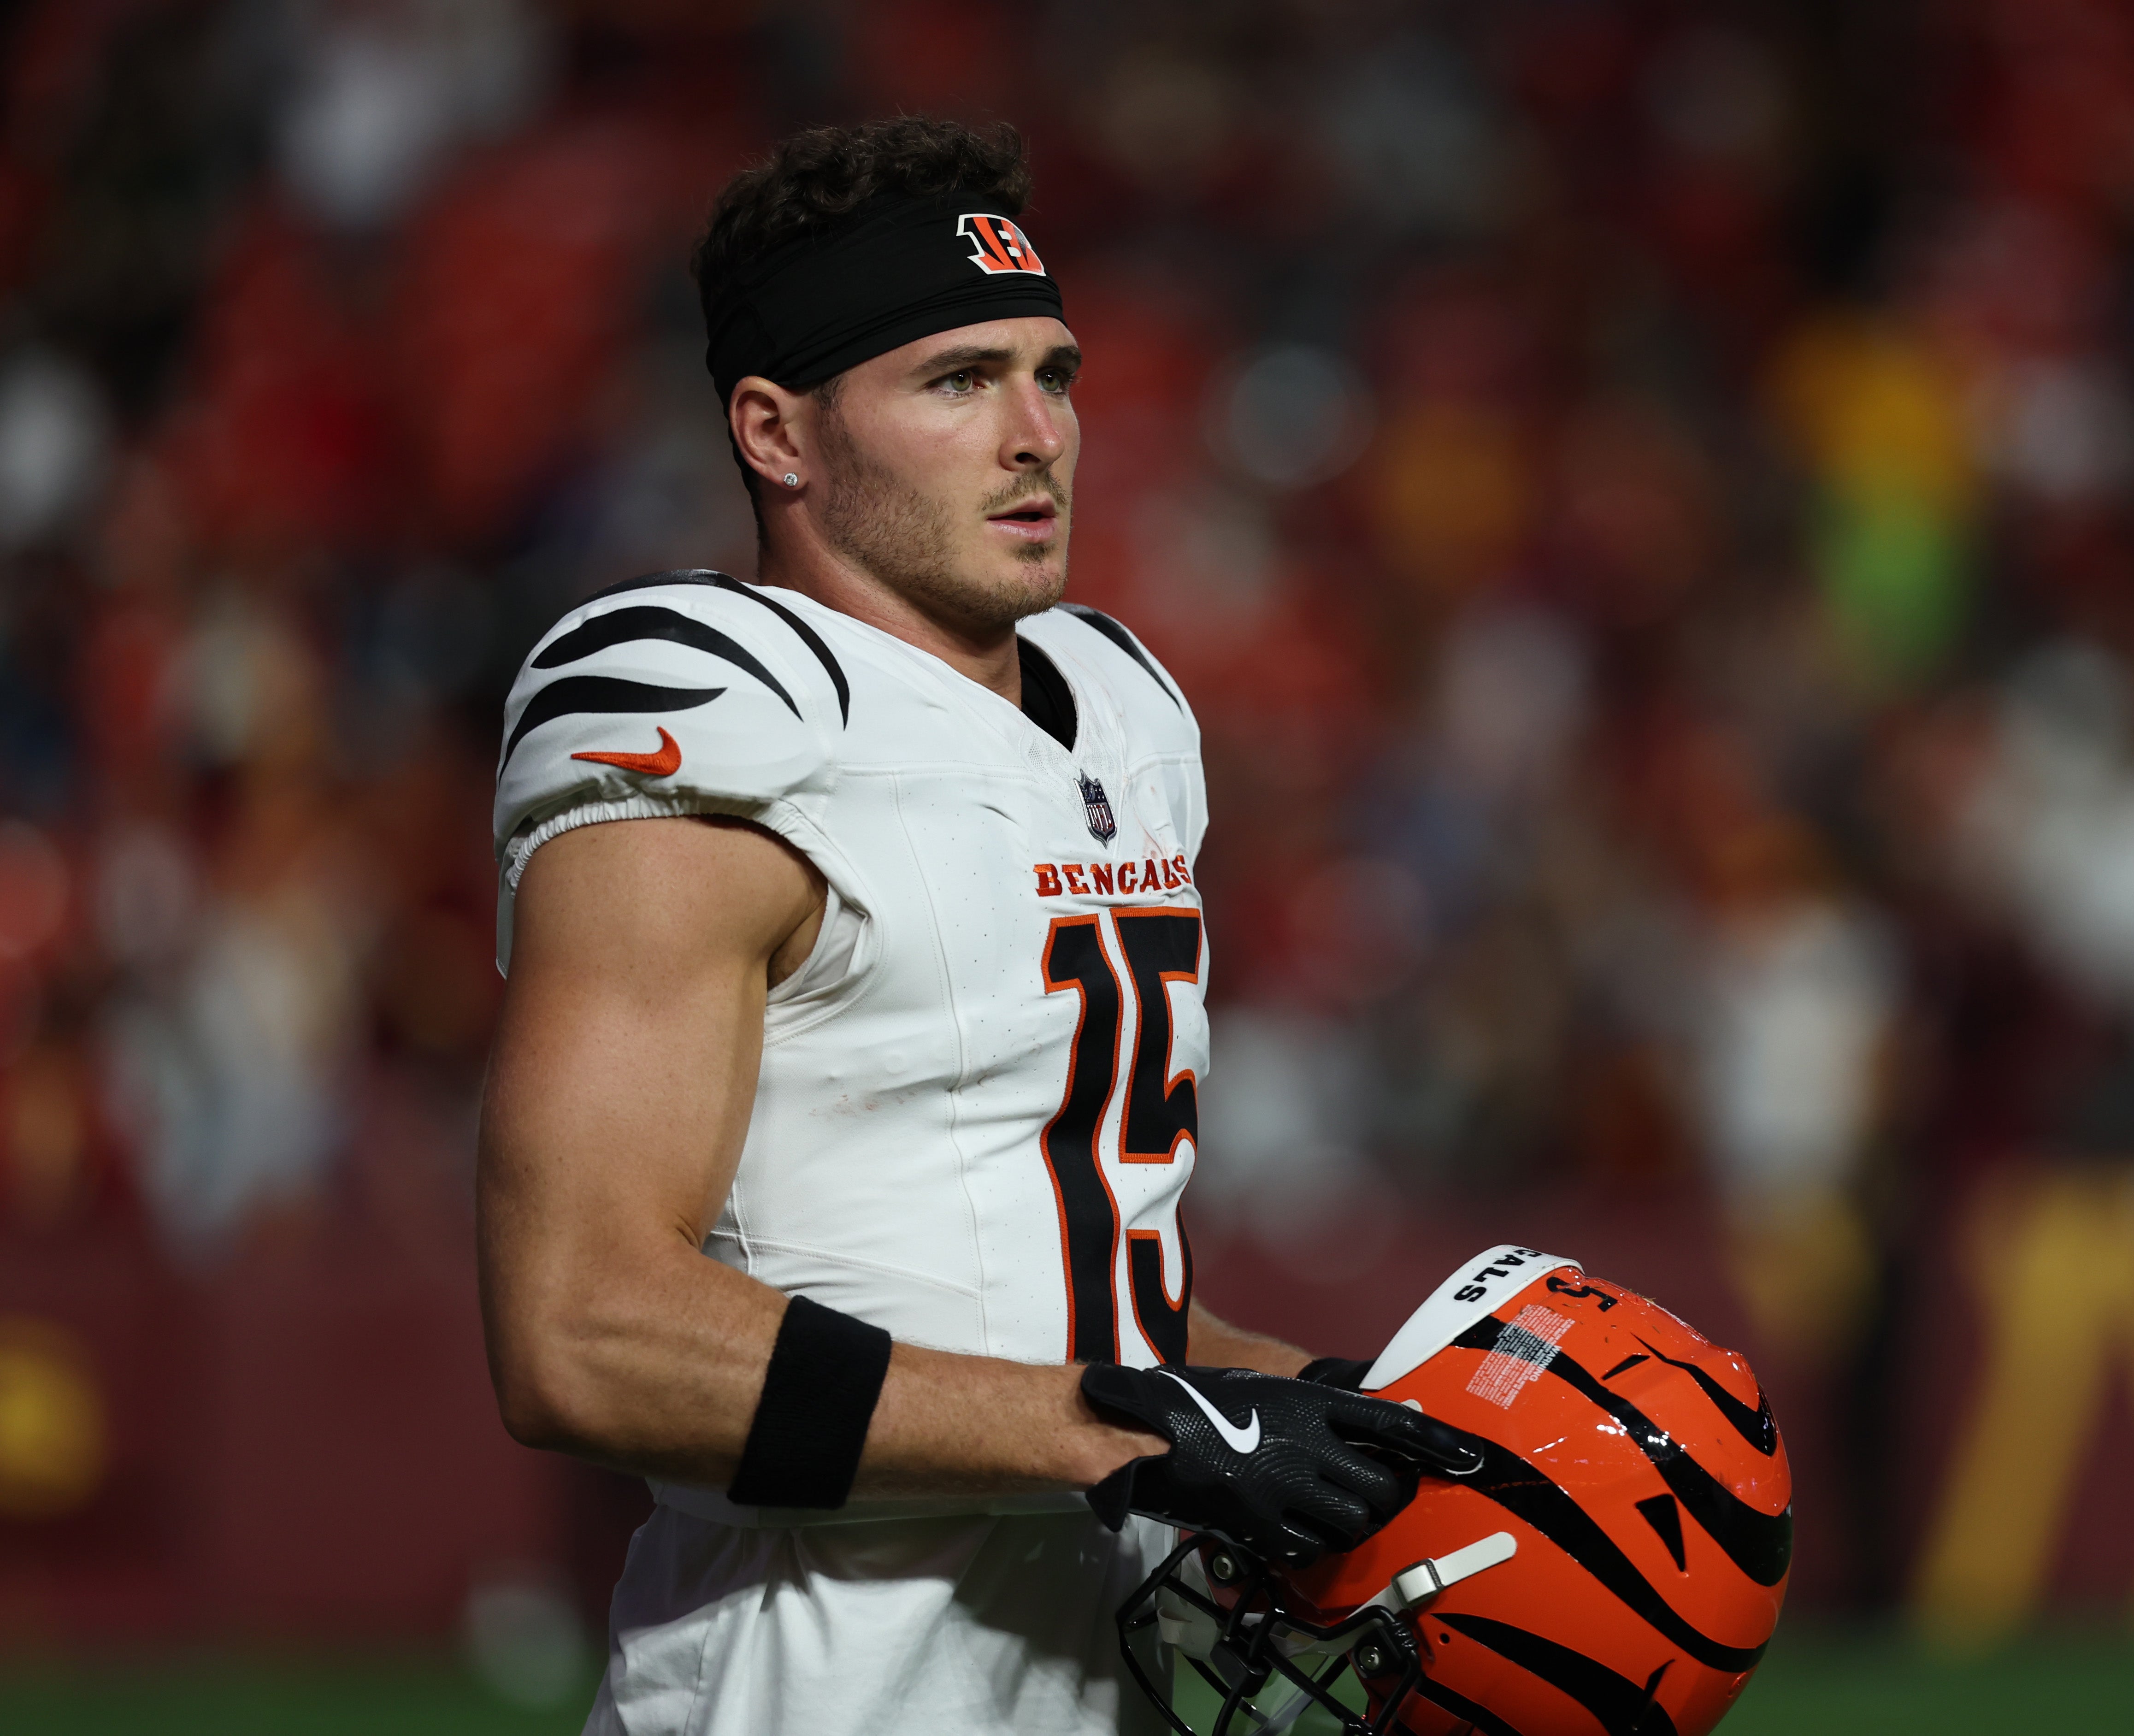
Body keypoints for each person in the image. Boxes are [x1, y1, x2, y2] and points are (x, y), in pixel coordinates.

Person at [475, 118, 1460, 1736]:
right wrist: (1137, 1433)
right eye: (955, 381)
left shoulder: (1122, 715)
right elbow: (582, 1330)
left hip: (1105, 1676)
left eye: (1053, 374)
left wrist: (1319, 1411)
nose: (1038, 437)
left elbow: (1056, 1305)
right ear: (776, 434)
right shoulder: (715, 706)